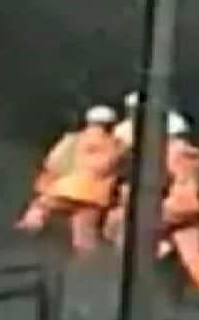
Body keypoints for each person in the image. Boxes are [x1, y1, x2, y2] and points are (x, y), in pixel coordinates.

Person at [16, 105, 123, 254]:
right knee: (84, 236)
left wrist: (47, 183)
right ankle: (87, 267)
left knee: (40, 207)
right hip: (96, 197)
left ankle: (24, 235)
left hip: (69, 189)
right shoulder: (116, 144)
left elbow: (54, 161)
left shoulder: (74, 139)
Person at [160, 112, 199, 293]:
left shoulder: (167, 153)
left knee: (134, 227)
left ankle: (161, 256)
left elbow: (159, 180)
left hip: (172, 206)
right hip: (195, 206)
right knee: (193, 253)